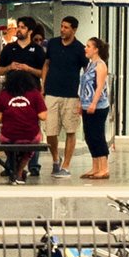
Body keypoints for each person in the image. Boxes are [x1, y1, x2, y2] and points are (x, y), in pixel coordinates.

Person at [43, 16, 89, 177]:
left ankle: (66, 166)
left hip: (71, 95)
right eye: (61, 26)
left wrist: (84, 94)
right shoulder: (53, 44)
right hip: (51, 92)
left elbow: (87, 71)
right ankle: (56, 158)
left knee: (71, 130)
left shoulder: (79, 49)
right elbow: (47, 64)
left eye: (66, 27)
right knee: (50, 131)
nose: (62, 29)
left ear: (74, 30)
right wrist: (43, 86)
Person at [0, 70, 45, 183]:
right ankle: (19, 172)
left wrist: (11, 114)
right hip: (30, 135)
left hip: (9, 135)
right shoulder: (35, 94)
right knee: (31, 147)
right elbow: (43, 116)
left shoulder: (3, 94)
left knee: (4, 140)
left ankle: (14, 168)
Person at [79, 38, 115, 182]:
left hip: (98, 106)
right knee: (89, 136)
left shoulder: (100, 65)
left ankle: (104, 167)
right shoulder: (89, 65)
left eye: (88, 46)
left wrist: (93, 103)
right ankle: (95, 166)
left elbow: (100, 87)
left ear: (96, 49)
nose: (85, 49)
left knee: (98, 136)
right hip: (87, 105)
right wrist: (81, 102)